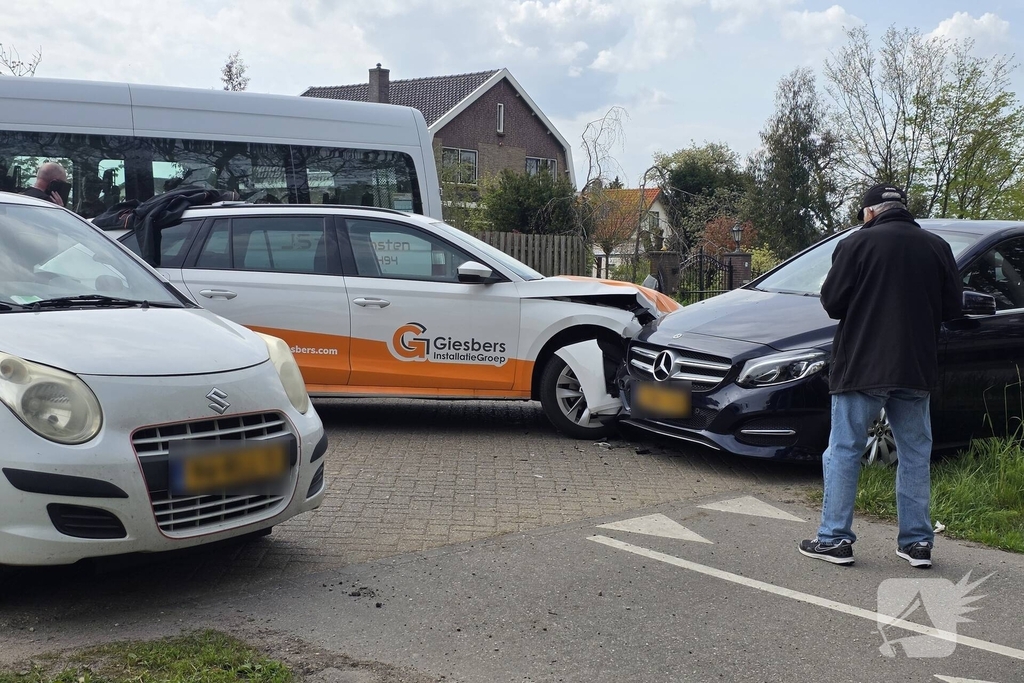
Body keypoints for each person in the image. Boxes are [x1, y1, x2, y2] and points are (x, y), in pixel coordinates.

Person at [799, 183, 962, 569]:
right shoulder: (937, 247)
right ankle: (917, 543)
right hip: (915, 368)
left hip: (862, 365)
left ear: (870, 212)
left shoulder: (857, 244)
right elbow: (953, 308)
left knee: (843, 450)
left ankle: (835, 539)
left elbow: (832, 303)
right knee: (915, 455)